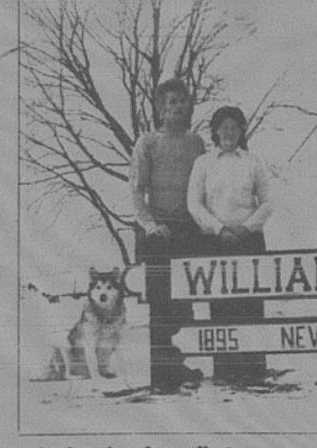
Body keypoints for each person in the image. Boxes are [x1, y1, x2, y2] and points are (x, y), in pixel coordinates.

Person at [130, 78, 205, 393]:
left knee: (183, 304)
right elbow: (136, 190)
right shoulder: (147, 142)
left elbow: (205, 184)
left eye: (181, 101)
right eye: (170, 102)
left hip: (187, 230)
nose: (176, 107)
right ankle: (160, 371)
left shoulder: (196, 143)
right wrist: (149, 225)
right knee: (160, 305)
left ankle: (177, 364)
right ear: (160, 108)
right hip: (159, 232)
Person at [187, 105, 273, 382]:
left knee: (250, 307)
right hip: (215, 242)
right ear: (215, 131)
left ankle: (255, 371)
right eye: (223, 128)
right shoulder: (204, 163)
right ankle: (226, 371)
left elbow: (268, 201)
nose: (229, 133)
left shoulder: (253, 162)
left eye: (234, 127)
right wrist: (218, 228)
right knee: (222, 309)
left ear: (241, 131)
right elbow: (194, 203)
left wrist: (247, 228)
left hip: (249, 242)